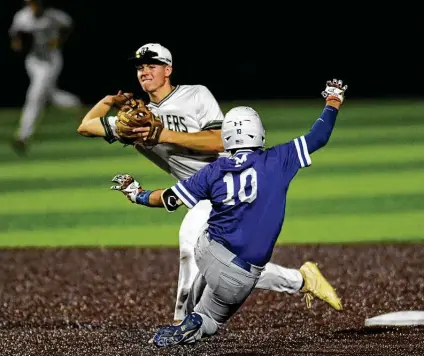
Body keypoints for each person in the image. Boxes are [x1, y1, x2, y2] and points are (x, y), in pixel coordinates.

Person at [77, 43, 343, 323]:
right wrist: (110, 101)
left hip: (227, 181)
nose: (144, 71)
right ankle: (301, 280)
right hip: (198, 192)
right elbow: (85, 126)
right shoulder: (136, 121)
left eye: (152, 65)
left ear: (168, 70)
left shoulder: (195, 95)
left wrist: (164, 135)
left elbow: (220, 140)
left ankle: (182, 322)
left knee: (190, 246)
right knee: (223, 265)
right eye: (140, 67)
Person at [9, 0, 82, 154]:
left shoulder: (53, 16)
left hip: (51, 60)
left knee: (35, 95)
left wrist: (59, 40)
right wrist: (18, 43)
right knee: (51, 95)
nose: (33, 5)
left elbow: (67, 25)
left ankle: (23, 136)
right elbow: (15, 35)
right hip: (33, 61)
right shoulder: (22, 17)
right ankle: (76, 106)